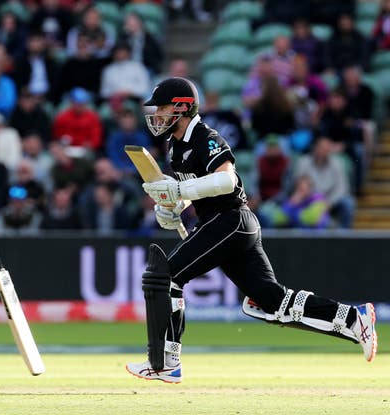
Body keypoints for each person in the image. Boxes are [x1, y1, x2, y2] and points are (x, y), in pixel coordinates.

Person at [125, 77, 378, 384]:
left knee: (168, 277)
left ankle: (166, 362)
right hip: (222, 224)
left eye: (163, 108)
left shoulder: (206, 136)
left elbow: (226, 181)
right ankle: (352, 318)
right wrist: (172, 205)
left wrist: (178, 189)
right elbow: (194, 190)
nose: (157, 116)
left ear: (182, 107)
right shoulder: (175, 146)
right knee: (271, 303)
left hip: (231, 220)